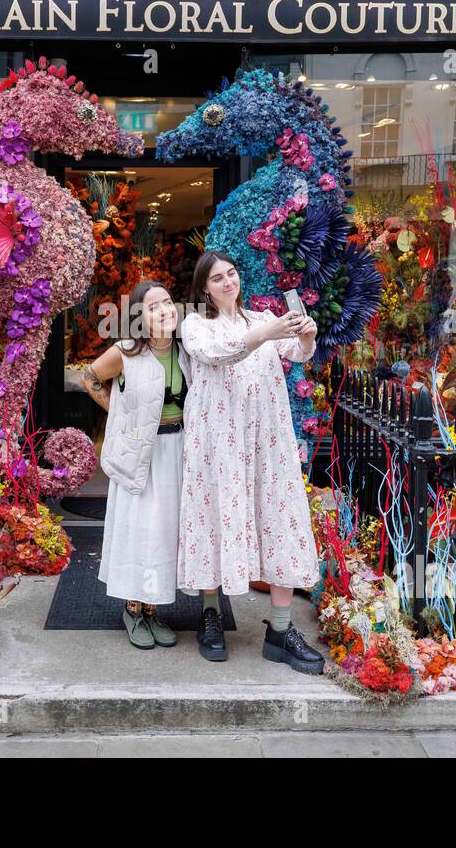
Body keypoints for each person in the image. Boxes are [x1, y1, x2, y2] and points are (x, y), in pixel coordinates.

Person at [177, 251, 325, 674]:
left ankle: (280, 631)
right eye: (218, 278)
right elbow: (219, 353)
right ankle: (210, 616)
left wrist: (307, 335)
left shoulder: (261, 316)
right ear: (204, 287)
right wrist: (268, 331)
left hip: (266, 442)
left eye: (232, 274)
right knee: (212, 518)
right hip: (217, 445)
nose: (228, 282)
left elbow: (298, 353)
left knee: (279, 522)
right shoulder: (195, 325)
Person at [82, 280, 190, 650]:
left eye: (167, 302)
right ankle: (132, 609)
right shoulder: (125, 352)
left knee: (163, 531)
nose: (164, 310)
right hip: (139, 453)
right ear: (139, 317)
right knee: (139, 530)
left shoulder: (187, 349)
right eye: (153, 306)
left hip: (176, 449)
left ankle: (152, 610)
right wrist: (120, 415)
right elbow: (90, 378)